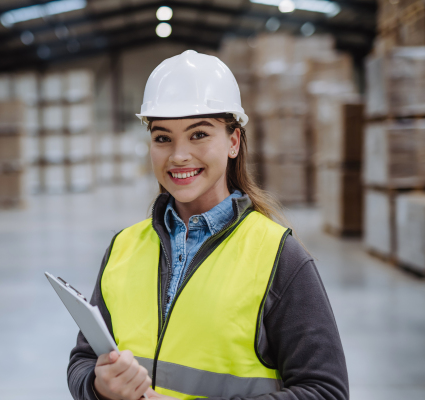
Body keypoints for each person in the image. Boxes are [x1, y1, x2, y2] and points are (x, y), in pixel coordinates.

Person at [68, 50, 348, 400]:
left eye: (198, 134)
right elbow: (83, 359)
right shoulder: (123, 248)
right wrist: (98, 386)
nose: (178, 155)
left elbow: (325, 391)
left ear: (233, 142)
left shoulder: (279, 257)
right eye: (162, 137)